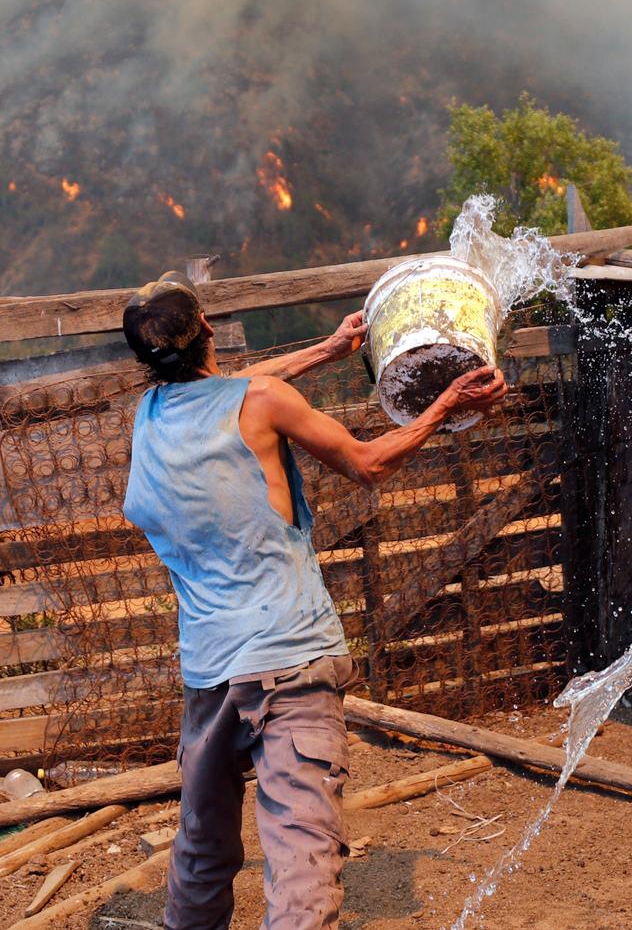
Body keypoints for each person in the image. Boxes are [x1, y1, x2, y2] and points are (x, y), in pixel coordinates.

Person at [121, 271, 509, 930]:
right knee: (300, 854)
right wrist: (443, 405)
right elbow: (367, 463)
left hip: (209, 673)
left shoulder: (152, 417)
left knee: (202, 846)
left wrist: (326, 351)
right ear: (209, 328)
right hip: (292, 660)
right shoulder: (261, 400)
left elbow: (232, 388)